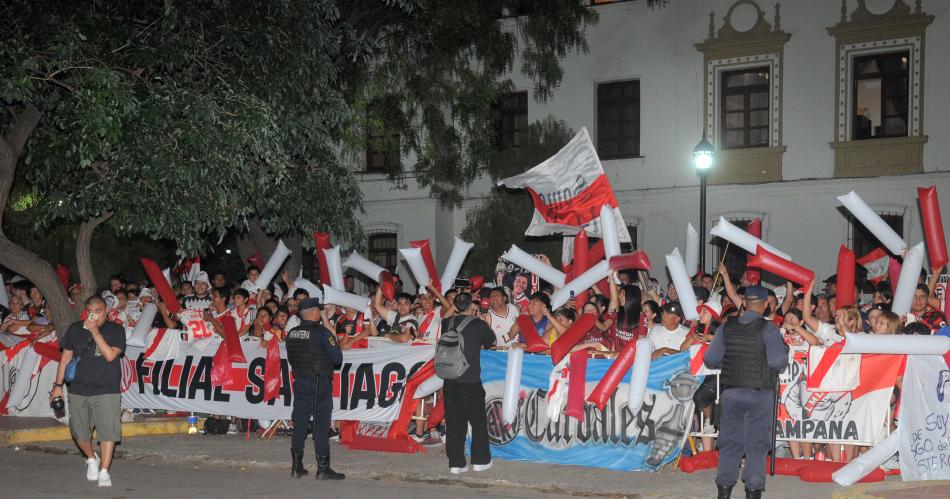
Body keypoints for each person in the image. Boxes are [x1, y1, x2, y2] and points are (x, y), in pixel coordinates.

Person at [703, 285, 787, 499]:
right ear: (766, 305)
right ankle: (753, 491)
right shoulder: (769, 330)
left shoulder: (725, 328)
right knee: (756, 445)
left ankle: (724, 491)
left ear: (743, 303)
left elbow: (710, 360)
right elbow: (778, 362)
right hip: (760, 395)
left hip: (731, 393)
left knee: (730, 444)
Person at [49, 296, 126, 488]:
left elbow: (109, 355)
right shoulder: (75, 329)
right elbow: (65, 359)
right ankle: (92, 458)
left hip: (106, 388)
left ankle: (104, 471)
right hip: (79, 389)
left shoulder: (116, 330)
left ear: (106, 310)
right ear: (86, 311)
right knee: (79, 432)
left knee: (107, 432)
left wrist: (95, 331)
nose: (95, 314)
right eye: (91, 310)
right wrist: (57, 386)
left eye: (98, 310)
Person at [284, 297, 344, 480]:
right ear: (313, 313)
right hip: (320, 383)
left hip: (301, 381)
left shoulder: (292, 333)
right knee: (321, 424)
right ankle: (323, 468)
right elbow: (337, 359)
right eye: (319, 310)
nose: (320, 312)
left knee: (300, 422)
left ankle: (296, 467)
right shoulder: (321, 332)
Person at [441, 292, 496, 474]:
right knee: (477, 421)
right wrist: (485, 323)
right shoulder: (479, 325)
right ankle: (480, 460)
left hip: (450, 379)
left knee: (454, 421)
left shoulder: (446, 323)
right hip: (470, 380)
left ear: (456, 306)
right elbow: (491, 342)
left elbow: (448, 314)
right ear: (472, 305)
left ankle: (456, 463)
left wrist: (458, 306)